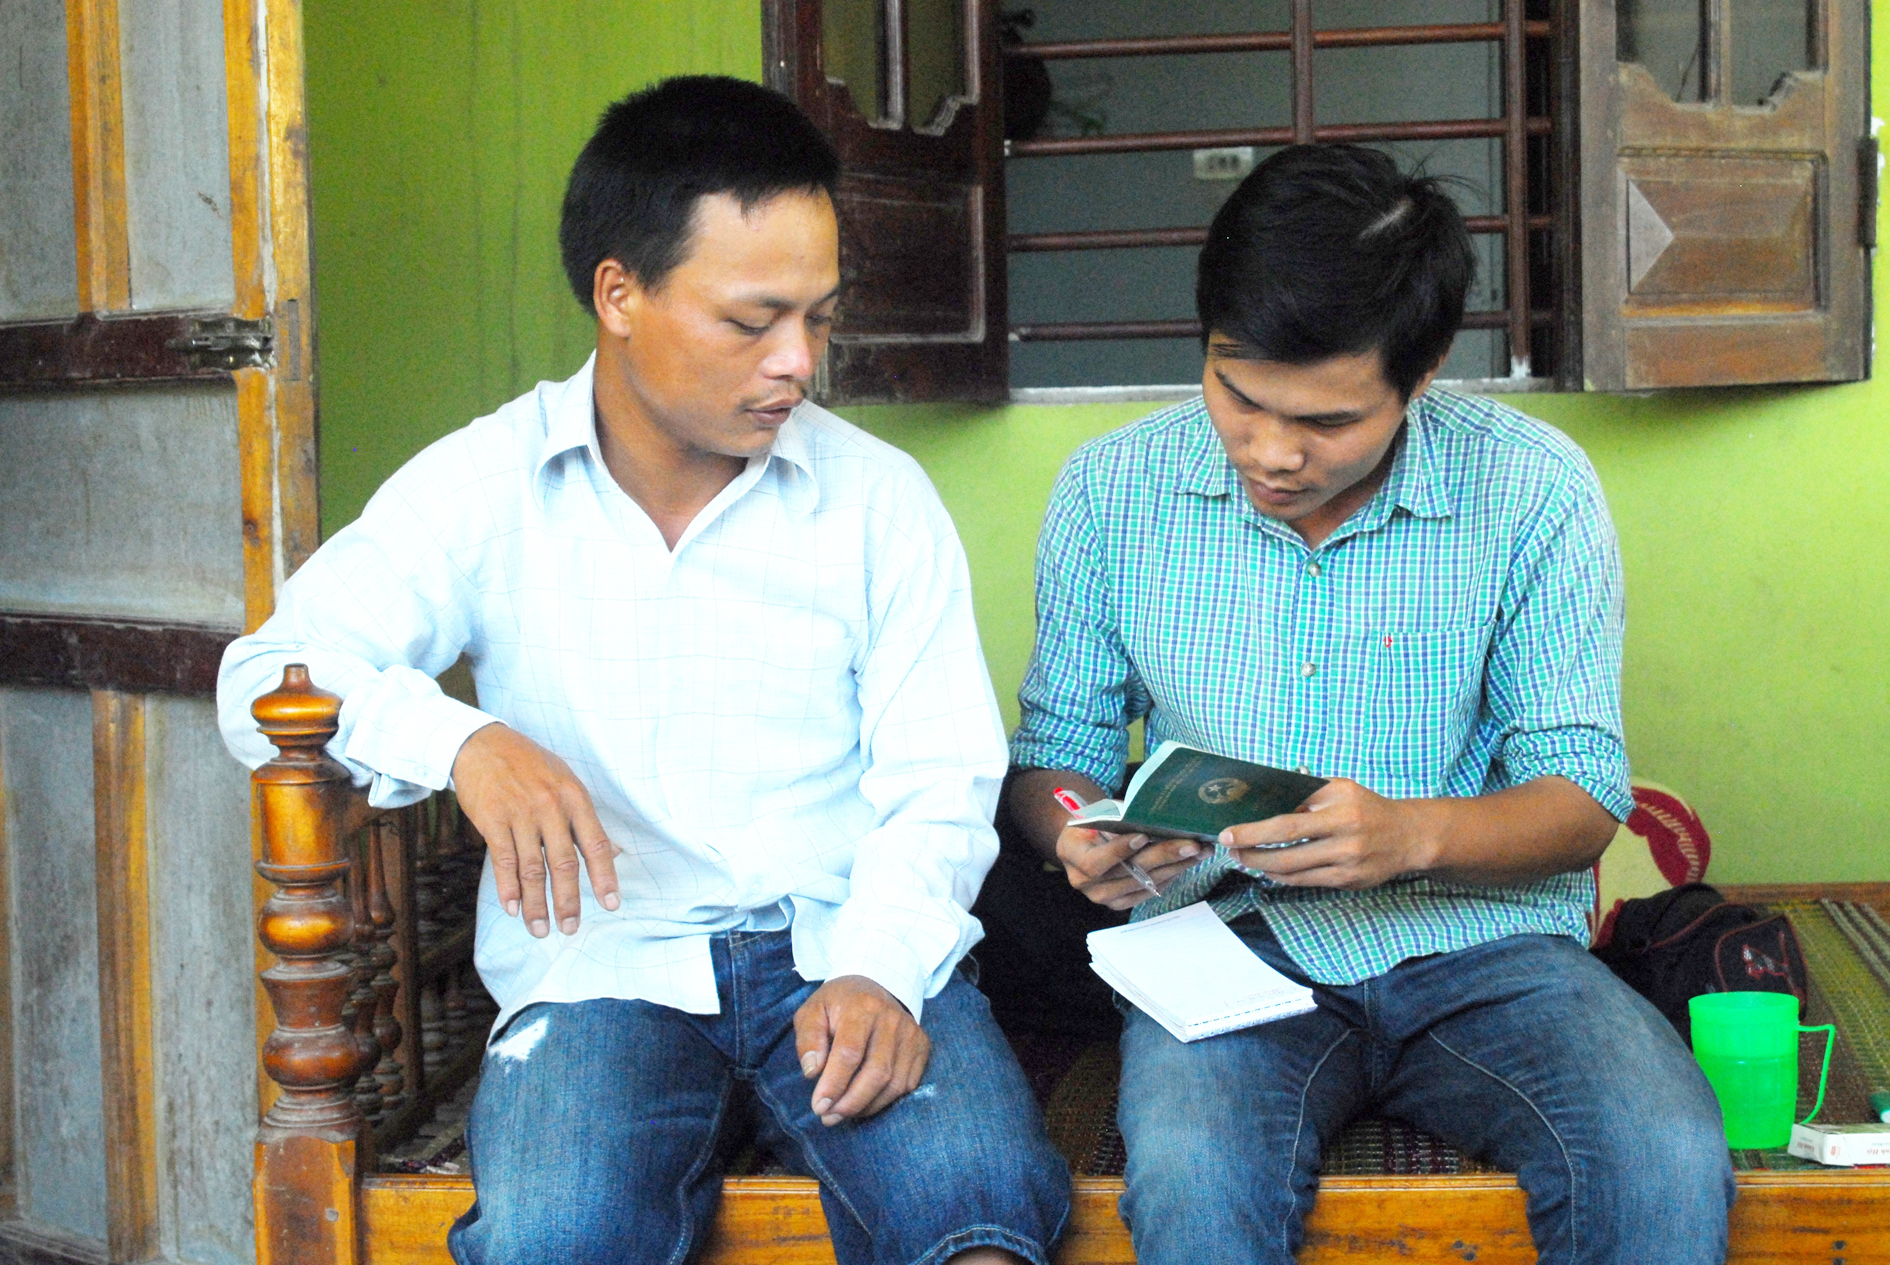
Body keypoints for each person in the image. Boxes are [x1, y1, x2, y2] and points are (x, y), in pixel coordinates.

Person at [218, 76, 1069, 1265]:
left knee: (978, 1210)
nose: (797, 362)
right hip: (600, 971)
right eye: (752, 321)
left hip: (844, 945)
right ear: (619, 293)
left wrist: (883, 967)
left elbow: (941, 773)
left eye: (819, 319)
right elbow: (264, 681)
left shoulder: (878, 500)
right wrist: (461, 741)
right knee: (556, 1237)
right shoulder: (485, 485)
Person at [998, 144, 1734, 1265]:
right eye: (1238, 395)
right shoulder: (1112, 492)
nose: (1271, 452)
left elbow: (1584, 794)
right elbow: (1057, 754)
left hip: (1491, 950)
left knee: (1662, 1152)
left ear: (1422, 372)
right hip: (1227, 946)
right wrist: (1077, 830)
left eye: (1329, 421)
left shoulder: (1531, 487)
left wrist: (1409, 835)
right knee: (1194, 1172)